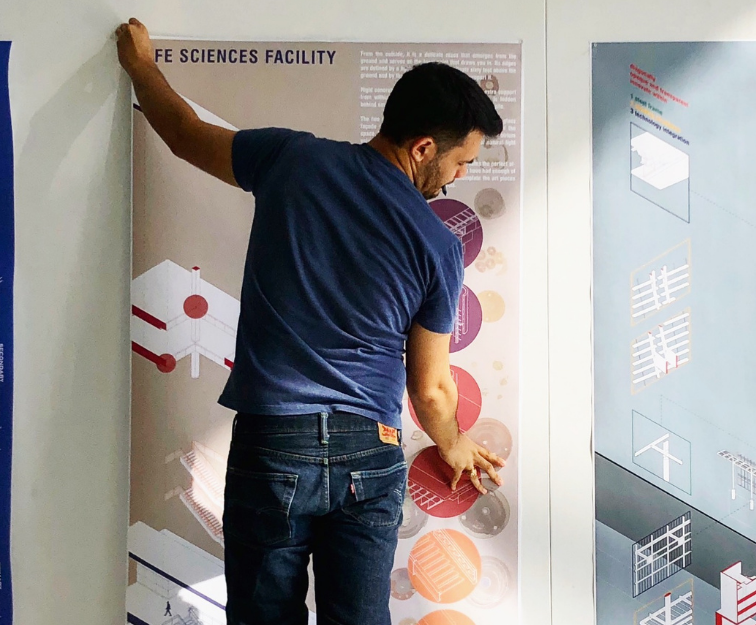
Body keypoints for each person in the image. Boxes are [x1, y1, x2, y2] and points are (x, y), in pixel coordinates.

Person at [117, 17, 508, 624]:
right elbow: (429, 387)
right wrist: (453, 443)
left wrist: (140, 66)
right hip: (368, 450)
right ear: (424, 147)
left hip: (274, 440)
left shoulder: (289, 159)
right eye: (461, 161)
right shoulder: (437, 243)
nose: (461, 176)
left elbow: (183, 133)